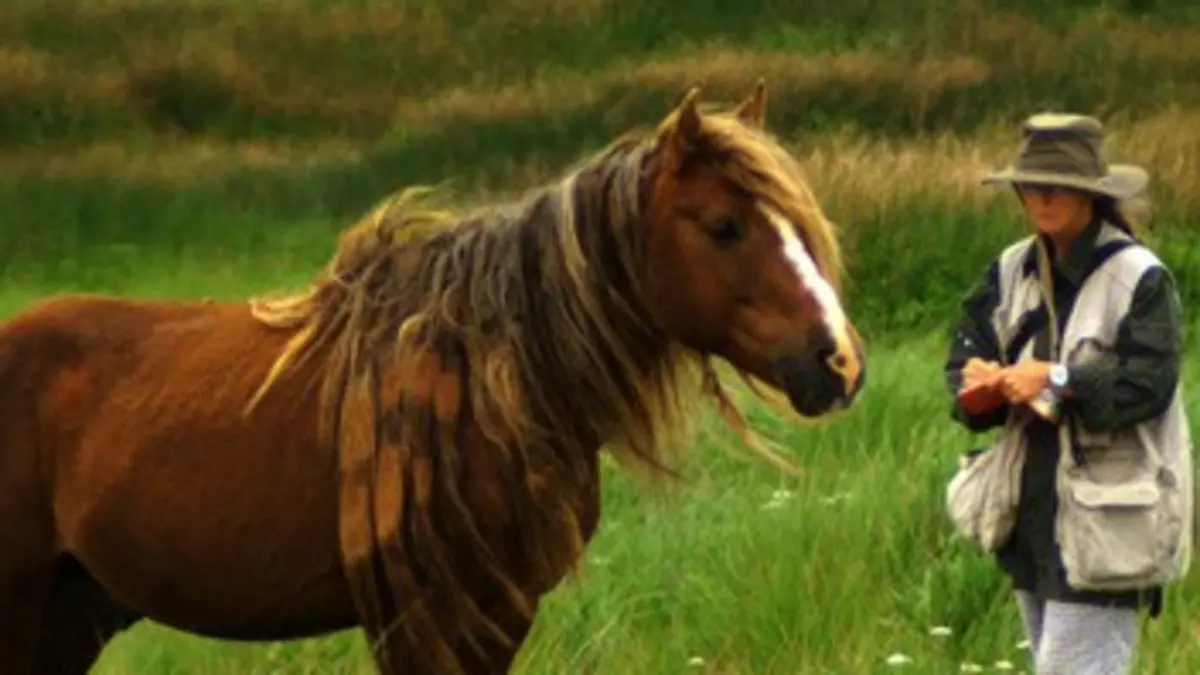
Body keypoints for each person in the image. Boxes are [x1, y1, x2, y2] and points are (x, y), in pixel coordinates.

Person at [943, 113, 1193, 674]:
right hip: (1031, 518)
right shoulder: (1009, 270)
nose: (1042, 195)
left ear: (1090, 194)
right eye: (1031, 184)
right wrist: (979, 391)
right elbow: (961, 365)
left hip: (1110, 526)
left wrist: (1054, 378)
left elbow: (1146, 385)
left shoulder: (1140, 277)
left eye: (1058, 184)